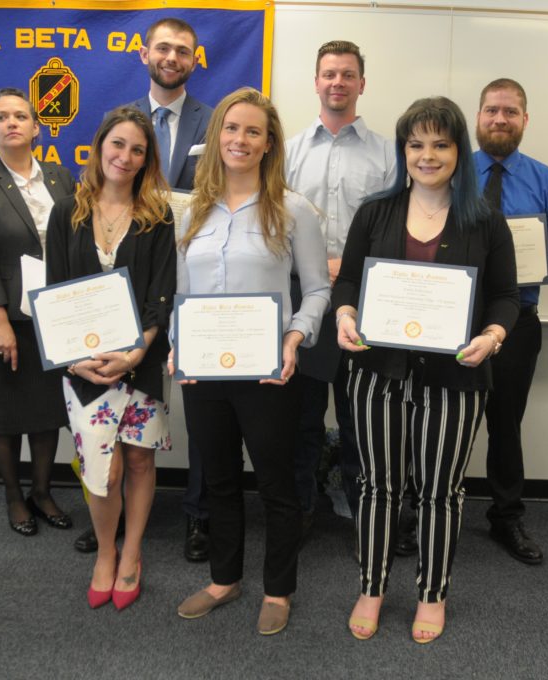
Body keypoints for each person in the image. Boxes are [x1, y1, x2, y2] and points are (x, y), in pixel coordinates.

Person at [333, 96, 519, 643]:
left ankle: (432, 593)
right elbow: (347, 284)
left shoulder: (485, 220)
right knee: (376, 486)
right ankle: (372, 585)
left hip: (455, 378)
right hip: (377, 372)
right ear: (403, 150)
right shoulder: (376, 211)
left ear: (459, 151)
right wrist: (345, 313)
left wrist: (493, 335)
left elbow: (506, 297)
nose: (428, 155)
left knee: (441, 490)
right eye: (416, 144)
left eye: (440, 144)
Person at [173, 88, 329, 635]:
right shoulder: (190, 209)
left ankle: (279, 589)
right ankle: (223, 579)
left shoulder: (293, 209)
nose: (240, 140)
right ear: (216, 136)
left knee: (276, 484)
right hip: (203, 369)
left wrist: (294, 337)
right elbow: (179, 293)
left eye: (253, 132)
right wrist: (175, 342)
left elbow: (317, 289)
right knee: (216, 478)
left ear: (269, 143)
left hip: (268, 370)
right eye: (231, 129)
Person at [74, 16, 212, 558]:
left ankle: (197, 517)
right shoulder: (123, 125)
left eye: (183, 50)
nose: (172, 56)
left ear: (194, 60)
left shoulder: (214, 121)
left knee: (198, 411)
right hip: (121, 296)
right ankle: (106, 522)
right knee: (101, 429)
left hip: (195, 286)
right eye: (163, 47)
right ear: (144, 54)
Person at [45, 106, 176, 611]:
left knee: (140, 460)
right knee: (104, 469)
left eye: (138, 149)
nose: (126, 156)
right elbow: (55, 293)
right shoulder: (67, 212)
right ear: (100, 145)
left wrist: (137, 352)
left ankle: (132, 554)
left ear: (147, 160)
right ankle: (105, 551)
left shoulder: (158, 215)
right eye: (118, 144)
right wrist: (74, 361)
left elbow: (161, 295)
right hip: (82, 368)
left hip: (138, 364)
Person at [284, 39, 396, 540]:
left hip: (363, 304)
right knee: (303, 418)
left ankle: (366, 515)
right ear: (316, 81)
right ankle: (301, 508)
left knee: (362, 420)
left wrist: (347, 267)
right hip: (304, 303)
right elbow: (273, 228)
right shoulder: (285, 153)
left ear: (361, 84)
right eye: (329, 74)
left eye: (347, 75)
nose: (337, 83)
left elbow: (394, 230)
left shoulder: (388, 156)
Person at [0, 88, 75, 537]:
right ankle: (13, 496)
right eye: (1, 117)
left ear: (36, 127)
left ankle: (42, 492)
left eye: (21, 116)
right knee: (6, 411)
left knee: (47, 411)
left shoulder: (61, 178)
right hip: (1, 317)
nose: (12, 123)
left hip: (52, 315)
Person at [474, 78, 548, 564]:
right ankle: (421, 513)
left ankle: (506, 517)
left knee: (505, 422)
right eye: (492, 110)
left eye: (510, 112)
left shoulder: (547, 182)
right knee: (434, 419)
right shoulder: (449, 173)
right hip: (453, 318)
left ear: (524, 120)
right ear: (478, 116)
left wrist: (535, 267)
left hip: (518, 320)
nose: (499, 119)